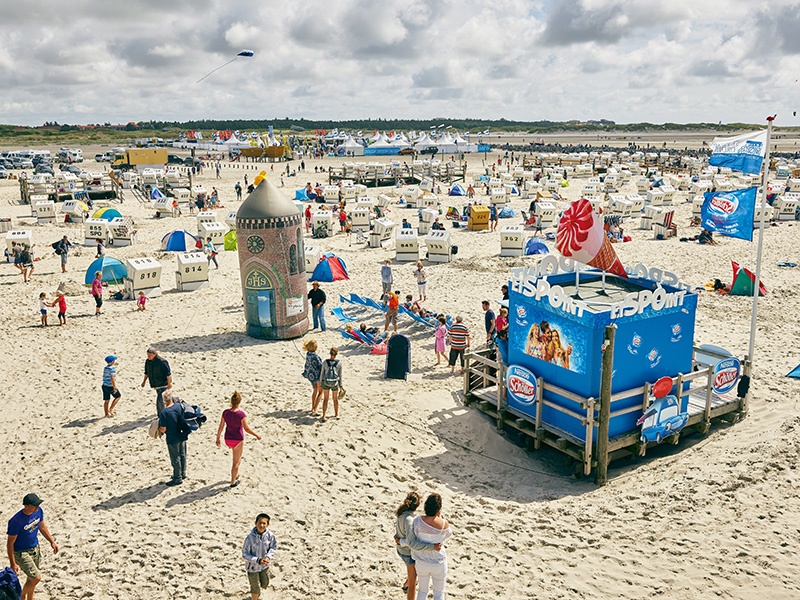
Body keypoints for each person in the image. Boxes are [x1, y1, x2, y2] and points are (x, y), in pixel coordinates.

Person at [6, 493, 58, 600]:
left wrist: (51, 541)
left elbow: (42, 527)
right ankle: (21, 596)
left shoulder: (38, 511)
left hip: (35, 548)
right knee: (36, 577)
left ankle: (30, 598)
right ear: (26, 506)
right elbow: (10, 543)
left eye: (38, 504)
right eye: (34, 505)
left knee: (31, 577)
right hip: (21, 552)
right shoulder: (16, 521)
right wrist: (13, 563)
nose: (37, 507)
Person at [394, 492, 441, 600]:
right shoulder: (409, 520)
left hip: (401, 550)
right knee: (413, 582)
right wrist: (432, 547)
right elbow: (413, 544)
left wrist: (400, 540)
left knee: (413, 573)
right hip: (407, 553)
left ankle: (406, 584)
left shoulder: (401, 513)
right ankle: (408, 585)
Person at [410, 493, 452, 600]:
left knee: (422, 591)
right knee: (439, 593)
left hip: (421, 561)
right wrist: (439, 517)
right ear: (438, 509)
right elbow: (448, 534)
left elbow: (414, 535)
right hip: (438, 562)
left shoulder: (417, 521)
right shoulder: (443, 524)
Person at [216, 391, 261, 488]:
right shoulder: (241, 414)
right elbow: (246, 428)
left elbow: (221, 426)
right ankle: (233, 482)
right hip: (237, 439)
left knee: (236, 459)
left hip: (228, 438)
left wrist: (218, 438)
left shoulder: (225, 412)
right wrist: (256, 435)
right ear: (239, 401)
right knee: (236, 462)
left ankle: (236, 474)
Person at [242, 513, 278, 600]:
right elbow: (245, 553)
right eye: (260, 523)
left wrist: (268, 557)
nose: (261, 525)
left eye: (264, 523)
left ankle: (257, 595)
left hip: (265, 566)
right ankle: (255, 597)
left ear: (267, 524)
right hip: (253, 567)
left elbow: (273, 547)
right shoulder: (249, 538)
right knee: (255, 588)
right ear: (255, 523)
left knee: (265, 583)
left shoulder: (270, 536)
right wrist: (257, 560)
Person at [157, 390, 188, 486]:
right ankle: (182, 473)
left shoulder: (164, 413)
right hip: (182, 434)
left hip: (172, 437)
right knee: (182, 454)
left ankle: (177, 478)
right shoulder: (179, 406)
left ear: (163, 401)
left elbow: (163, 429)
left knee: (175, 458)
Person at [141, 347, 172, 416]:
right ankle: (169, 410)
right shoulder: (148, 362)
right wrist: (144, 382)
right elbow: (146, 373)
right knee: (164, 399)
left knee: (159, 400)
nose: (148, 357)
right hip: (155, 384)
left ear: (154, 354)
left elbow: (168, 374)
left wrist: (169, 383)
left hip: (163, 384)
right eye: (147, 355)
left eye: (149, 355)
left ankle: (161, 415)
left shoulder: (162, 362)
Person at [318, 347, 342, 422]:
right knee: (335, 399)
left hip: (326, 382)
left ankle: (324, 415)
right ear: (336, 354)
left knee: (325, 399)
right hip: (334, 383)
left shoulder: (325, 362)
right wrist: (340, 385)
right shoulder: (339, 363)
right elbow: (340, 375)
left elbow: (322, 373)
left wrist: (321, 383)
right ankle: (336, 414)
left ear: (330, 353)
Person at [302, 339, 324, 414]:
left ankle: (312, 408)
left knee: (315, 391)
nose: (316, 347)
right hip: (317, 375)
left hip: (311, 376)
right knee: (321, 392)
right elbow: (320, 365)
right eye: (315, 346)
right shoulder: (315, 356)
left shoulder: (308, 354)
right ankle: (315, 408)